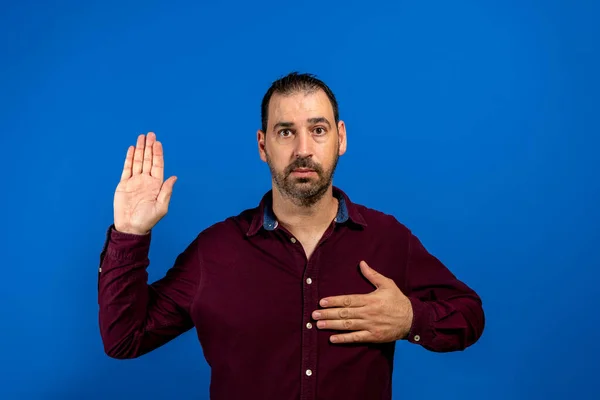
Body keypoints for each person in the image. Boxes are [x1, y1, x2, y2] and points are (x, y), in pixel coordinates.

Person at [98, 72, 485, 400]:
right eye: (286, 132)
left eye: (318, 130)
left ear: (341, 138)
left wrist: (411, 320)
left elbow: (469, 315)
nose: (303, 149)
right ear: (263, 145)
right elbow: (125, 339)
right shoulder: (214, 251)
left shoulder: (387, 238)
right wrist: (130, 233)